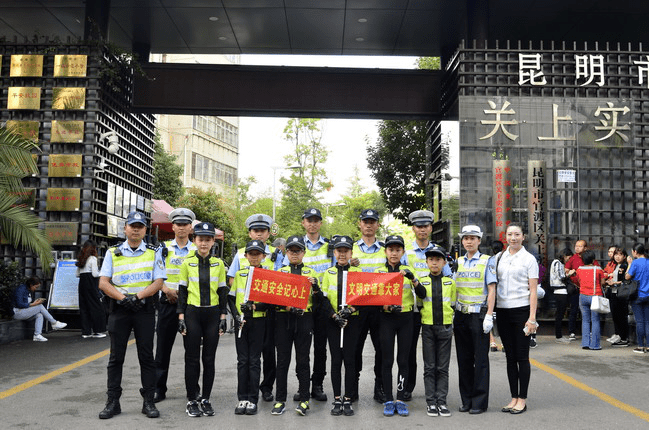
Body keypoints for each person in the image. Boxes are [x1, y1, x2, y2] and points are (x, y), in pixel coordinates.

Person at [98, 211, 166, 419]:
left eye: (140, 226)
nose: (136, 229)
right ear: (125, 228)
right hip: (120, 310)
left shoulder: (154, 252)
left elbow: (158, 281)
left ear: (145, 230)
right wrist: (122, 298)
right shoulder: (113, 252)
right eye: (132, 226)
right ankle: (113, 402)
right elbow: (103, 282)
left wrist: (138, 297)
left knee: (146, 357)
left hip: (143, 309)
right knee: (115, 358)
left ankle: (148, 402)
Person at [228, 213, 283, 403]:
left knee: (268, 351)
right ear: (250, 233)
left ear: (268, 233)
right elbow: (233, 280)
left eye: (263, 231)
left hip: (269, 310)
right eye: (255, 230)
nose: (259, 234)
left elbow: (282, 279)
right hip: (246, 311)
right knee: (247, 357)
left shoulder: (276, 253)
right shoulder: (241, 253)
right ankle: (246, 392)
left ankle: (266, 387)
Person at [177, 222, 228, 417]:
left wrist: (223, 317)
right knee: (191, 359)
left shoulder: (219, 264)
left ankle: (205, 398)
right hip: (192, 314)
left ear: (213, 241)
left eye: (208, 239)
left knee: (209, 358)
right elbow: (182, 292)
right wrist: (180, 317)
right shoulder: (186, 263)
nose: (204, 243)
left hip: (213, 315)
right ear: (194, 240)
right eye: (201, 239)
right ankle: (192, 399)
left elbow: (223, 292)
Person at [400, 210, 452, 400]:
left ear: (430, 228)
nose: (422, 229)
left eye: (426, 226)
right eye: (419, 226)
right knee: (409, 351)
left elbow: (448, 279)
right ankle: (408, 388)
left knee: (434, 356)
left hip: (433, 310)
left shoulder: (438, 252)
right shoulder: (406, 252)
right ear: (413, 228)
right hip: (412, 309)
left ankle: (437, 392)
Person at [284, 208, 332, 403]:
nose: (312, 223)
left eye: (316, 220)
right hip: (299, 306)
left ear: (320, 223)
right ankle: (302, 384)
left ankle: (317, 384)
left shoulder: (330, 246)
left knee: (321, 347)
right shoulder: (294, 245)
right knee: (301, 349)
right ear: (303, 223)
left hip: (322, 302)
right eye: (308, 220)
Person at [272, 235, 321, 416]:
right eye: (291, 250)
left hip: (304, 319)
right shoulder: (281, 272)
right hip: (284, 319)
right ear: (287, 252)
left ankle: (304, 400)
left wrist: (315, 288)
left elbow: (318, 302)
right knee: (283, 361)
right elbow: (274, 299)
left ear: (303, 252)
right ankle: (280, 400)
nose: (294, 253)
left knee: (303, 360)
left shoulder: (310, 273)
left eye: (298, 250)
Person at [154, 207, 197, 403]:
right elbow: (155, 275)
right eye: (178, 225)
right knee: (163, 349)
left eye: (185, 225)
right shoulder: (163, 248)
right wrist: (166, 290)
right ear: (173, 227)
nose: (181, 228)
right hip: (168, 302)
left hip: (190, 305)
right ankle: (158, 389)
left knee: (192, 350)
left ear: (190, 227)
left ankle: (192, 391)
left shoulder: (197, 250)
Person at [454, 225, 497, 415]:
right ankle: (466, 400)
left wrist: (489, 315)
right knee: (463, 360)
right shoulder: (456, 262)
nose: (469, 241)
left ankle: (479, 402)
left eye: (472, 238)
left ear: (479, 240)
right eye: (465, 238)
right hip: (460, 315)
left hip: (478, 315)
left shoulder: (487, 261)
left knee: (480, 360)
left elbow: (492, 289)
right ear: (462, 241)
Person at [374, 235, 419, 417]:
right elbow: (371, 298)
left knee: (403, 360)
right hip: (386, 320)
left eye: (397, 250)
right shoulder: (378, 271)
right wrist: (383, 305)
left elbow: (422, 293)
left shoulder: (408, 270)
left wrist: (413, 278)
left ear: (402, 252)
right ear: (385, 252)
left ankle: (400, 399)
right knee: (387, 361)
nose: (394, 253)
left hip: (406, 319)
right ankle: (388, 399)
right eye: (391, 249)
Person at [496, 224, 538, 415]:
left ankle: (523, 399)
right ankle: (513, 397)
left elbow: (533, 291)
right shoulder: (499, 257)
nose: (513, 238)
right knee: (509, 357)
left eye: (517, 234)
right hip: (503, 311)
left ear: (523, 237)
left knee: (522, 357)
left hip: (522, 311)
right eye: (510, 234)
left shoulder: (529, 259)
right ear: (505, 237)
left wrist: (532, 318)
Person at [319, 235, 362, 416]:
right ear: (334, 253)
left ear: (351, 252)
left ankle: (348, 398)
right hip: (333, 322)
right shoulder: (328, 273)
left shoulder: (358, 273)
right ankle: (337, 397)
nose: (342, 254)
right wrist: (334, 315)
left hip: (352, 321)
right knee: (336, 361)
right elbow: (323, 299)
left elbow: (363, 297)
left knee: (350, 361)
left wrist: (350, 310)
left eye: (346, 251)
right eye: (339, 251)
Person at [229, 240, 271, 415]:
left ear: (263, 256)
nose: (254, 257)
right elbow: (231, 298)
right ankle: (242, 398)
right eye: (251, 254)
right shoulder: (240, 274)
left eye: (257, 254)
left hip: (259, 321)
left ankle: (252, 399)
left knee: (254, 361)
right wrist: (237, 315)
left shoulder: (268, 274)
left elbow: (270, 301)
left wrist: (254, 307)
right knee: (242, 361)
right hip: (242, 322)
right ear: (245, 256)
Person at [415, 245, 456, 418]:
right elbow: (419, 304)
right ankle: (431, 402)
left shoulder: (450, 282)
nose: (434, 263)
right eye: (431, 259)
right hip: (428, 328)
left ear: (444, 262)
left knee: (443, 367)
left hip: (445, 328)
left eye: (438, 259)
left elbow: (452, 304)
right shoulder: (421, 282)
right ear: (426, 262)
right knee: (429, 367)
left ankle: (442, 401)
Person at [351, 208, 385, 403]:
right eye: (366, 221)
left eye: (373, 222)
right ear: (360, 224)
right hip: (358, 308)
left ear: (377, 225)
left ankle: (379, 387)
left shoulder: (386, 249)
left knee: (381, 349)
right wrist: (348, 264)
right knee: (355, 349)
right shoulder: (351, 249)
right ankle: (353, 387)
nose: (369, 225)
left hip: (380, 308)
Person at [12, 276, 67, 341]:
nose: (36, 289)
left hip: (23, 312)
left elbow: (26, 304)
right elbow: (19, 304)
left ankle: (37, 335)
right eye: (36, 287)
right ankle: (54, 323)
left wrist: (34, 303)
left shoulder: (28, 290)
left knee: (39, 315)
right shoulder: (21, 289)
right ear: (31, 285)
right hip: (17, 312)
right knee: (40, 306)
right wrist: (33, 304)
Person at [564, 240, 599, 340]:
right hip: (576, 288)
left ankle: (591, 333)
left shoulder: (590, 259)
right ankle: (572, 332)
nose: (577, 248)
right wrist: (570, 272)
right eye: (576, 246)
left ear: (585, 248)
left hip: (590, 290)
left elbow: (598, 270)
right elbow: (566, 270)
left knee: (590, 312)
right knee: (574, 310)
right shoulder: (573, 258)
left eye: (580, 246)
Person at [576, 250, 606, 351]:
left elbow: (579, 281)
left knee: (585, 320)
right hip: (595, 296)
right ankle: (595, 345)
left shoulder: (579, 269)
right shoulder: (598, 269)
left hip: (583, 296)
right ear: (593, 259)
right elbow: (602, 282)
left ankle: (585, 343)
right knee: (595, 320)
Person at [76, 240, 106, 338]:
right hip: (91, 283)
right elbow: (95, 274)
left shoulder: (81, 259)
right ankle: (98, 331)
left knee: (84, 307)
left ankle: (86, 332)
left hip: (82, 283)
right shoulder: (92, 258)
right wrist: (102, 272)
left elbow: (77, 274)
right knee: (96, 306)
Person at [626, 243, 649, 354]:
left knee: (639, 322)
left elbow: (627, 276)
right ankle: (648, 345)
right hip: (648, 295)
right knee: (647, 321)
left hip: (638, 295)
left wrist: (629, 264)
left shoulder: (635, 263)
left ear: (635, 251)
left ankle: (641, 346)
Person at [604, 247, 630, 347]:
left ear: (624, 256)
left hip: (621, 294)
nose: (617, 257)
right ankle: (619, 335)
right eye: (616, 255)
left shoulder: (624, 266)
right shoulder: (617, 265)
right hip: (614, 292)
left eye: (620, 255)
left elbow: (625, 280)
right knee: (616, 315)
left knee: (621, 316)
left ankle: (624, 338)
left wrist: (614, 282)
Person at [549, 248, 574, 343]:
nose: (568, 260)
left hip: (558, 291)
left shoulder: (556, 263)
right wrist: (569, 274)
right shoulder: (557, 263)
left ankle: (559, 335)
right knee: (560, 314)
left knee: (559, 314)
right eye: (568, 257)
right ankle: (558, 336)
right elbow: (561, 277)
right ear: (565, 255)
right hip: (560, 291)